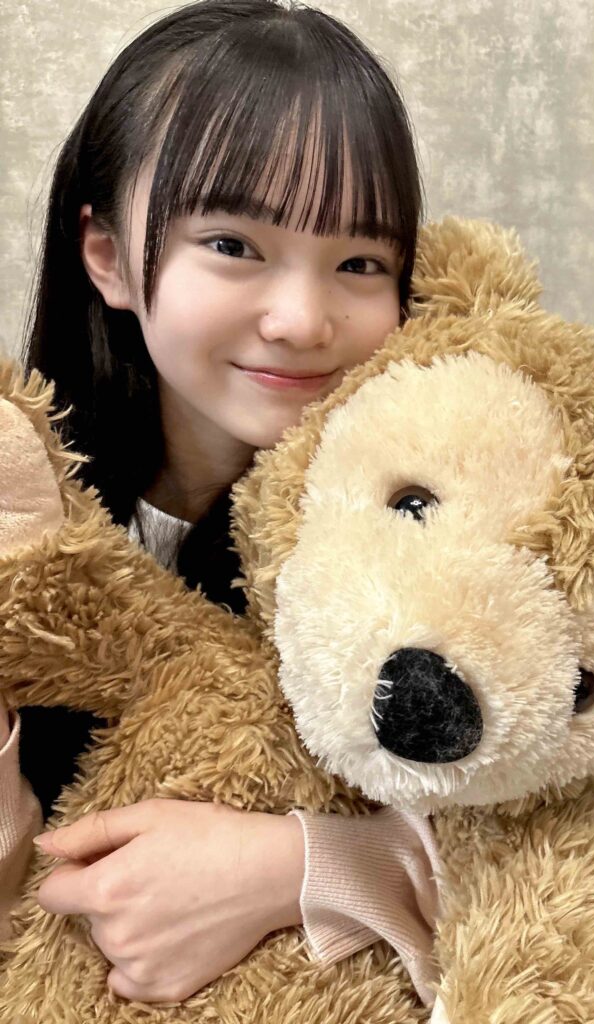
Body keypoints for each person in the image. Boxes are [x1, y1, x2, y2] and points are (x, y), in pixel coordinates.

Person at [0, 0, 441, 1008]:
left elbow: (551, 860)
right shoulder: (34, 533)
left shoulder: (434, 527)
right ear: (108, 255)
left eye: (360, 263)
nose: (302, 319)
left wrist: (297, 865)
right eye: (234, 244)